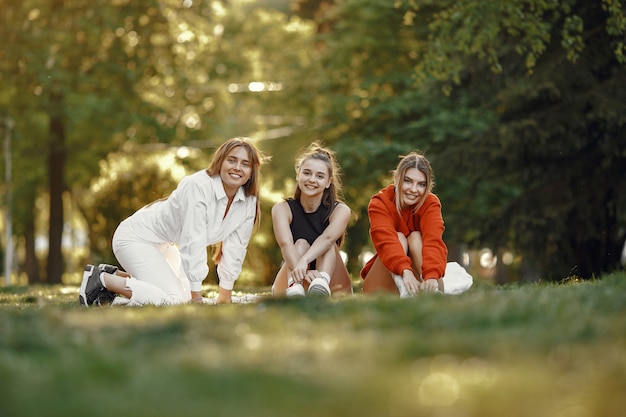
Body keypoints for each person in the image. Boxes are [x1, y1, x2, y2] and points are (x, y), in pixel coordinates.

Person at [79, 137, 267, 306]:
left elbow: (235, 248)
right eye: (232, 160)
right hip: (134, 238)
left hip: (165, 245)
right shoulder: (198, 186)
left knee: (180, 297)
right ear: (220, 162)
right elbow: (194, 241)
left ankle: (116, 278)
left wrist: (225, 296)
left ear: (252, 171)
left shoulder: (248, 201)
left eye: (245, 164)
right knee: (173, 299)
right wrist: (197, 299)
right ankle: (101, 280)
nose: (237, 168)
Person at [271, 142, 353, 297]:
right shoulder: (282, 209)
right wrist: (302, 269)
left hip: (331, 280)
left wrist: (305, 261)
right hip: (294, 276)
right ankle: (295, 287)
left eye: (320, 176)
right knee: (300, 243)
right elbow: (285, 244)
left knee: (328, 244)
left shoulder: (340, 210)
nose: (312, 180)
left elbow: (328, 239)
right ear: (298, 174)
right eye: (307, 173)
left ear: (329, 182)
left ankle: (321, 284)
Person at [361, 151, 448, 296]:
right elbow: (386, 241)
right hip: (387, 280)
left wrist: (432, 275)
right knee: (398, 237)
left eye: (421, 184)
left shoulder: (430, 203)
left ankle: (429, 290)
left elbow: (434, 240)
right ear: (396, 178)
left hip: (423, 276)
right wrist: (405, 270)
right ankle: (405, 289)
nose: (413, 190)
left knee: (415, 237)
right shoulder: (380, 203)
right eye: (407, 181)